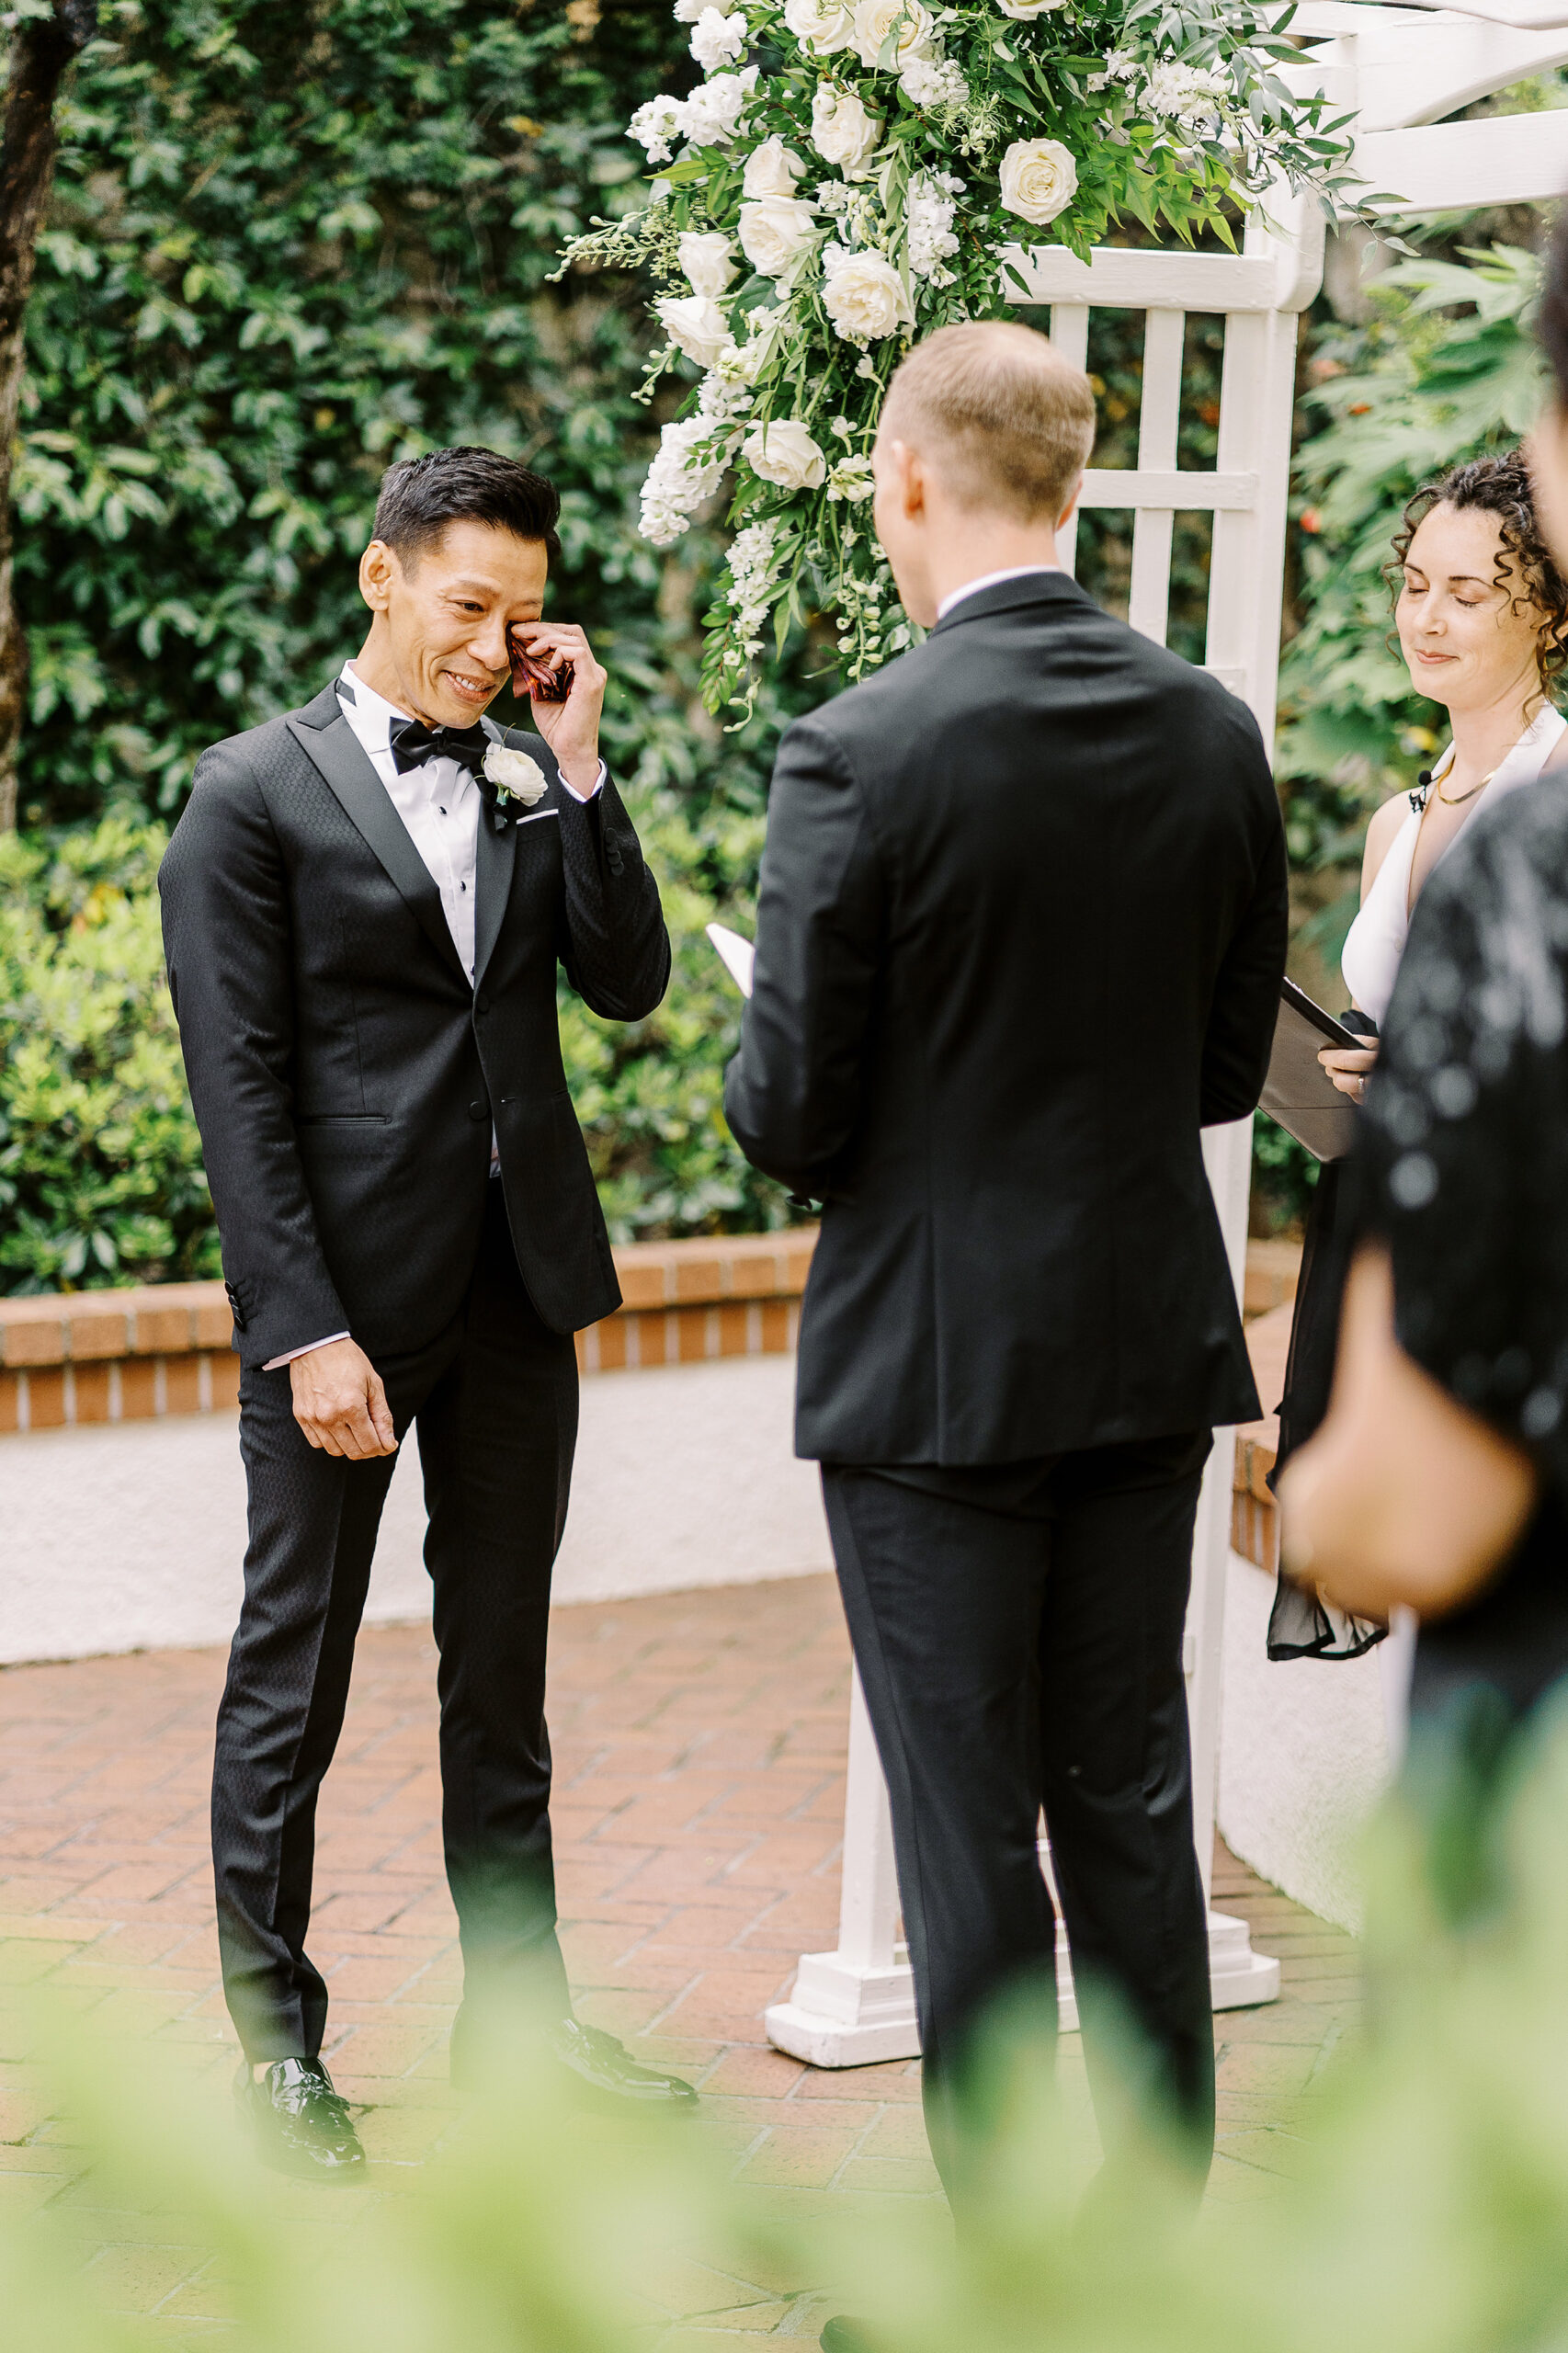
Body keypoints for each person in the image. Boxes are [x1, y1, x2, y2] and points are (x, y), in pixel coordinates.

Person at [723, 321, 1289, 2282]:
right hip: (1143, 1352)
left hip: (934, 1384)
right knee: (1131, 1802)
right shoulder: (1213, 729)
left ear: (905, 482)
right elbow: (1225, 1068)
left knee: (969, 1842)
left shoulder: (857, 749)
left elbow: (791, 1113)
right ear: (1076, 482)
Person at [159, 447, 694, 2178]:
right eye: (469, 607)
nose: (493, 644)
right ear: (382, 578)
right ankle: (276, 2053)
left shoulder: (536, 776)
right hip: (344, 1314)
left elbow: (628, 984)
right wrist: (302, 1325)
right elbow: (236, 1094)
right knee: (291, 1676)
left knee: (503, 1674)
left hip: (518, 1292)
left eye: (521, 613)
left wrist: (583, 761)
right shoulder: (247, 795)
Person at [1278, 204, 1568, 1883]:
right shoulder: (1406, 815)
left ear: (1542, 609)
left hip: (1490, 1269)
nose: (1432, 616)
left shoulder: (1547, 806)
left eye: (1474, 591)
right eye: (1414, 586)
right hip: (1375, 1215)